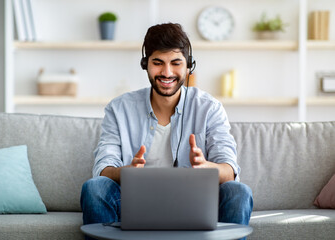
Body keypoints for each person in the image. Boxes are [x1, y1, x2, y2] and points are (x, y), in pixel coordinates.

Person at [80, 22, 253, 235]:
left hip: (195, 203)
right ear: (146, 64)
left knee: (239, 192)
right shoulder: (119, 108)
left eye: (176, 63)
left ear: (189, 66)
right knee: (94, 188)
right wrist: (127, 173)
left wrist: (206, 167)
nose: (167, 72)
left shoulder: (209, 108)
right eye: (158, 63)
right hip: (134, 203)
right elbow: (103, 169)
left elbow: (230, 170)